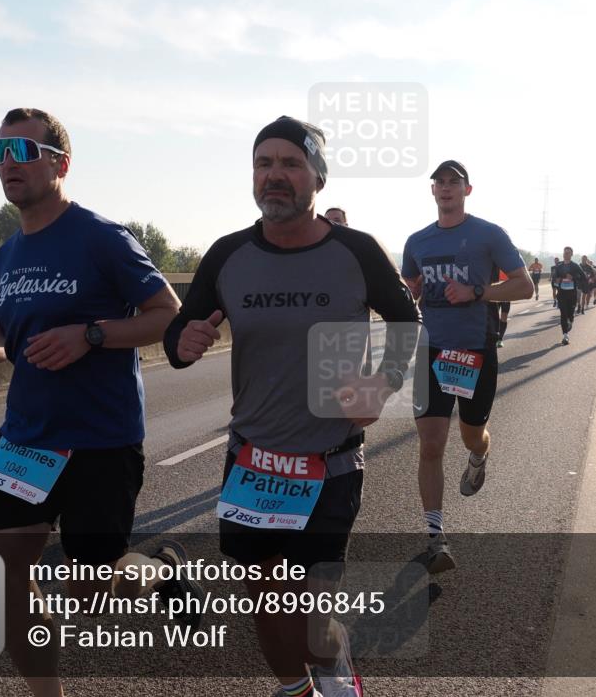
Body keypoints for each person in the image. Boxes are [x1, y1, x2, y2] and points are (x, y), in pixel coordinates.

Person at [0, 108, 202, 697]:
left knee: (91, 596)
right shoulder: (8, 253)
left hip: (100, 441)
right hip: (26, 437)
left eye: (23, 151)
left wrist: (90, 335)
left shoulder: (102, 238)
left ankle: (161, 571)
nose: (8, 163)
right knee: (8, 574)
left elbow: (168, 314)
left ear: (61, 164)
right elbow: (10, 332)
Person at [164, 116, 419, 697]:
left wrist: (383, 383)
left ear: (317, 179)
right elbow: (181, 331)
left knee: (310, 618)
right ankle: (296, 690)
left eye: (290, 164)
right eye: (264, 163)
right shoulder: (228, 254)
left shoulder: (356, 251)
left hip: (329, 462)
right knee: (264, 600)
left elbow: (407, 319)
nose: (274, 175)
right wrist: (183, 341)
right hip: (253, 462)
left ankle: (332, 662)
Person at [401, 160, 532, 573]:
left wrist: (476, 291)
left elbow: (525, 286)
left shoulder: (488, 234)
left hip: (476, 351)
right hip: (432, 351)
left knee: (471, 435)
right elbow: (410, 289)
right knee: (431, 444)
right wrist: (412, 293)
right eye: (439, 182)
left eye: (453, 182)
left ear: (466, 190)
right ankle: (435, 536)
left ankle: (480, 454)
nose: (446, 188)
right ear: (432, 191)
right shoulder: (416, 241)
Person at [554, 247, 585, 345]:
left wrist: (573, 277)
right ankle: (565, 336)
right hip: (562, 293)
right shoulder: (559, 266)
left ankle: (570, 321)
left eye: (568, 253)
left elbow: (583, 277)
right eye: (565, 252)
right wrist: (557, 280)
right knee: (563, 314)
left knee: (570, 315)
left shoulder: (575, 266)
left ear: (571, 255)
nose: (566, 254)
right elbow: (554, 278)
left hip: (572, 294)